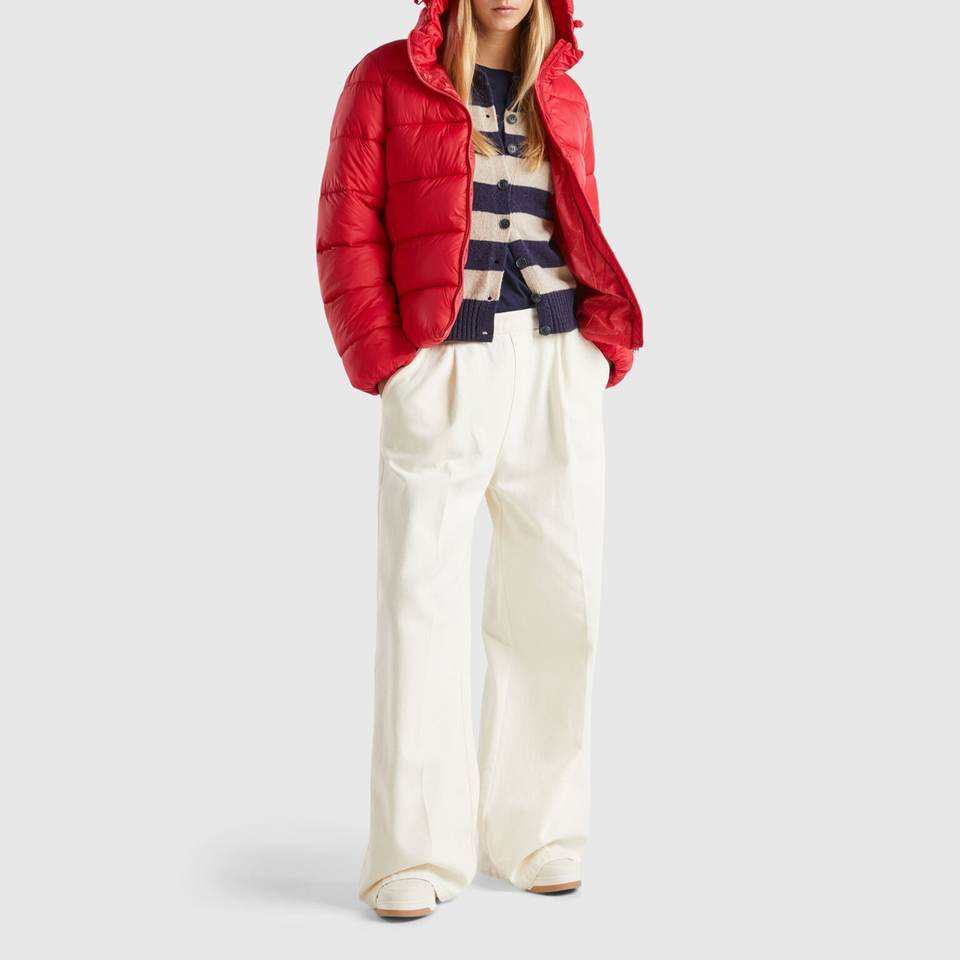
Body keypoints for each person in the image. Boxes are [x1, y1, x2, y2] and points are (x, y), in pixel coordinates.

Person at [315, 0, 643, 919]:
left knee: (560, 600)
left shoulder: (563, 93)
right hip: (443, 362)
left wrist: (596, 351)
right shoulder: (384, 79)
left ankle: (537, 833)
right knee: (419, 600)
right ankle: (415, 852)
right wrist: (389, 364)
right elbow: (346, 226)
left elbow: (577, 224)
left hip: (557, 361)